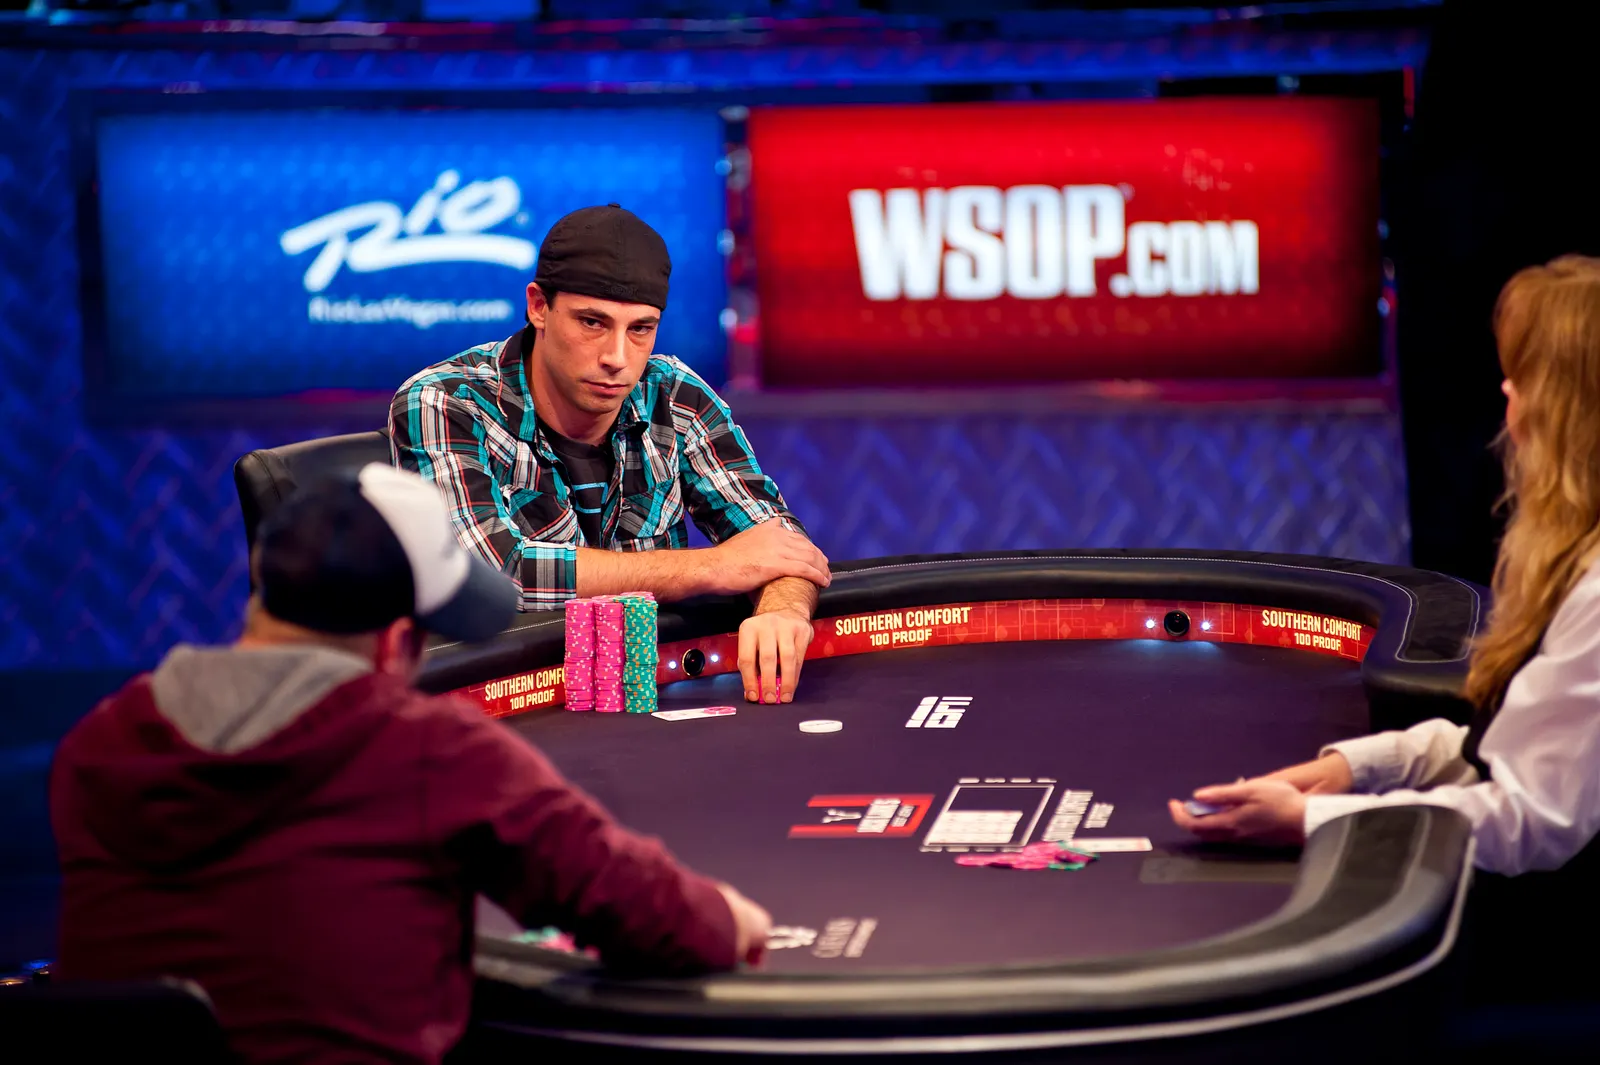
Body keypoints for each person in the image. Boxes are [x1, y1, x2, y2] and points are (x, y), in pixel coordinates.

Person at [51, 464, 772, 1065]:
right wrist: (723, 917)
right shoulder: (428, 751)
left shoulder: (99, 742)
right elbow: (646, 910)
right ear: (398, 644)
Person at [1169, 255, 1600, 880]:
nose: (1507, 390)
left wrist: (1311, 820)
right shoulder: (1575, 553)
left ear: (1569, 409)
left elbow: (1530, 818)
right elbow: (1512, 746)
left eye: (1526, 375)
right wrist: (1357, 767)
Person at [391, 204, 828, 706]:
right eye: (592, 322)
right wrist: (712, 567)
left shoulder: (674, 395)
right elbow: (494, 575)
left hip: (647, 702)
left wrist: (782, 608)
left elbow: (778, 544)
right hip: (495, 702)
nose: (617, 358)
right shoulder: (446, 401)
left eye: (640, 329)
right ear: (538, 307)